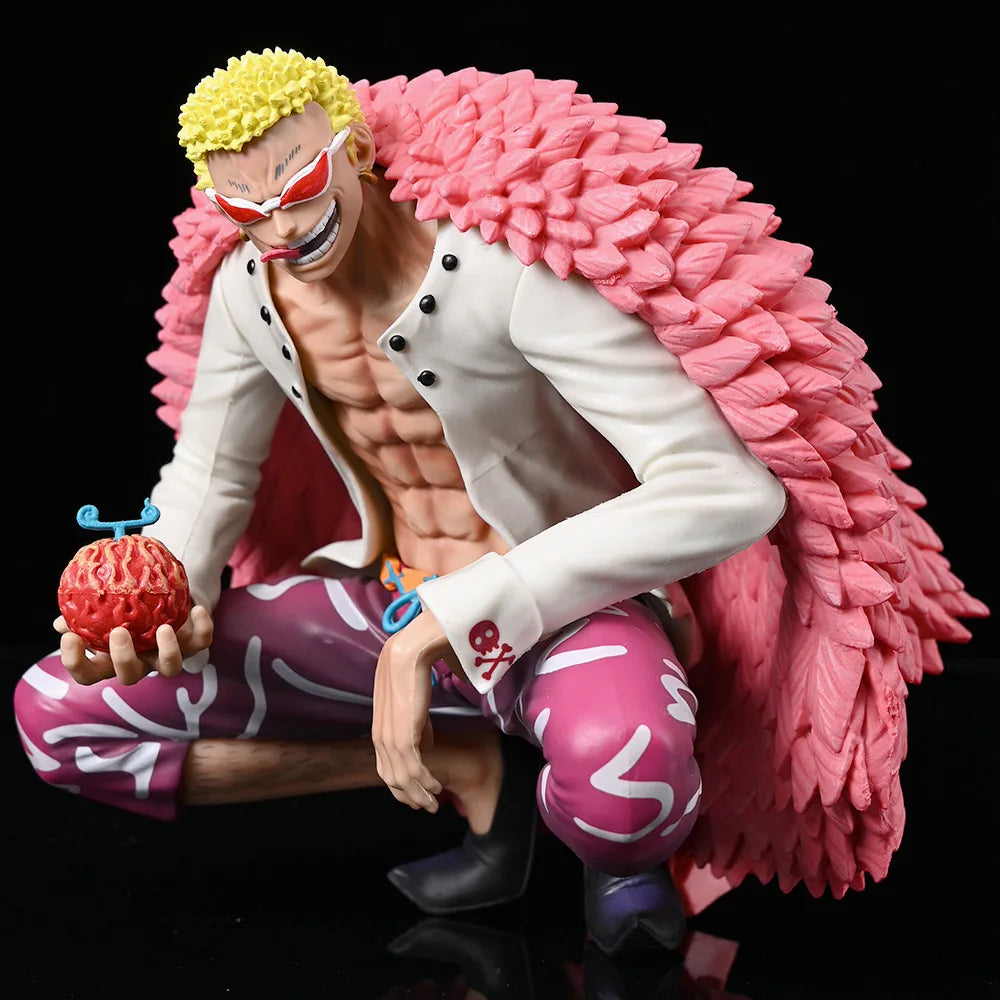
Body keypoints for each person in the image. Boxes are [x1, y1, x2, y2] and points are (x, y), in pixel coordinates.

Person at [13, 49, 984, 954]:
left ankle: (621, 863)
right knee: (61, 711)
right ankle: (465, 762)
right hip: (380, 604)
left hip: (566, 617)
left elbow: (725, 487)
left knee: (629, 781)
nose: (280, 231)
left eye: (299, 189)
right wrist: (165, 594)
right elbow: (211, 476)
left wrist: (459, 616)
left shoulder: (501, 273)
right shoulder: (248, 292)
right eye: (244, 209)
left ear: (355, 150)